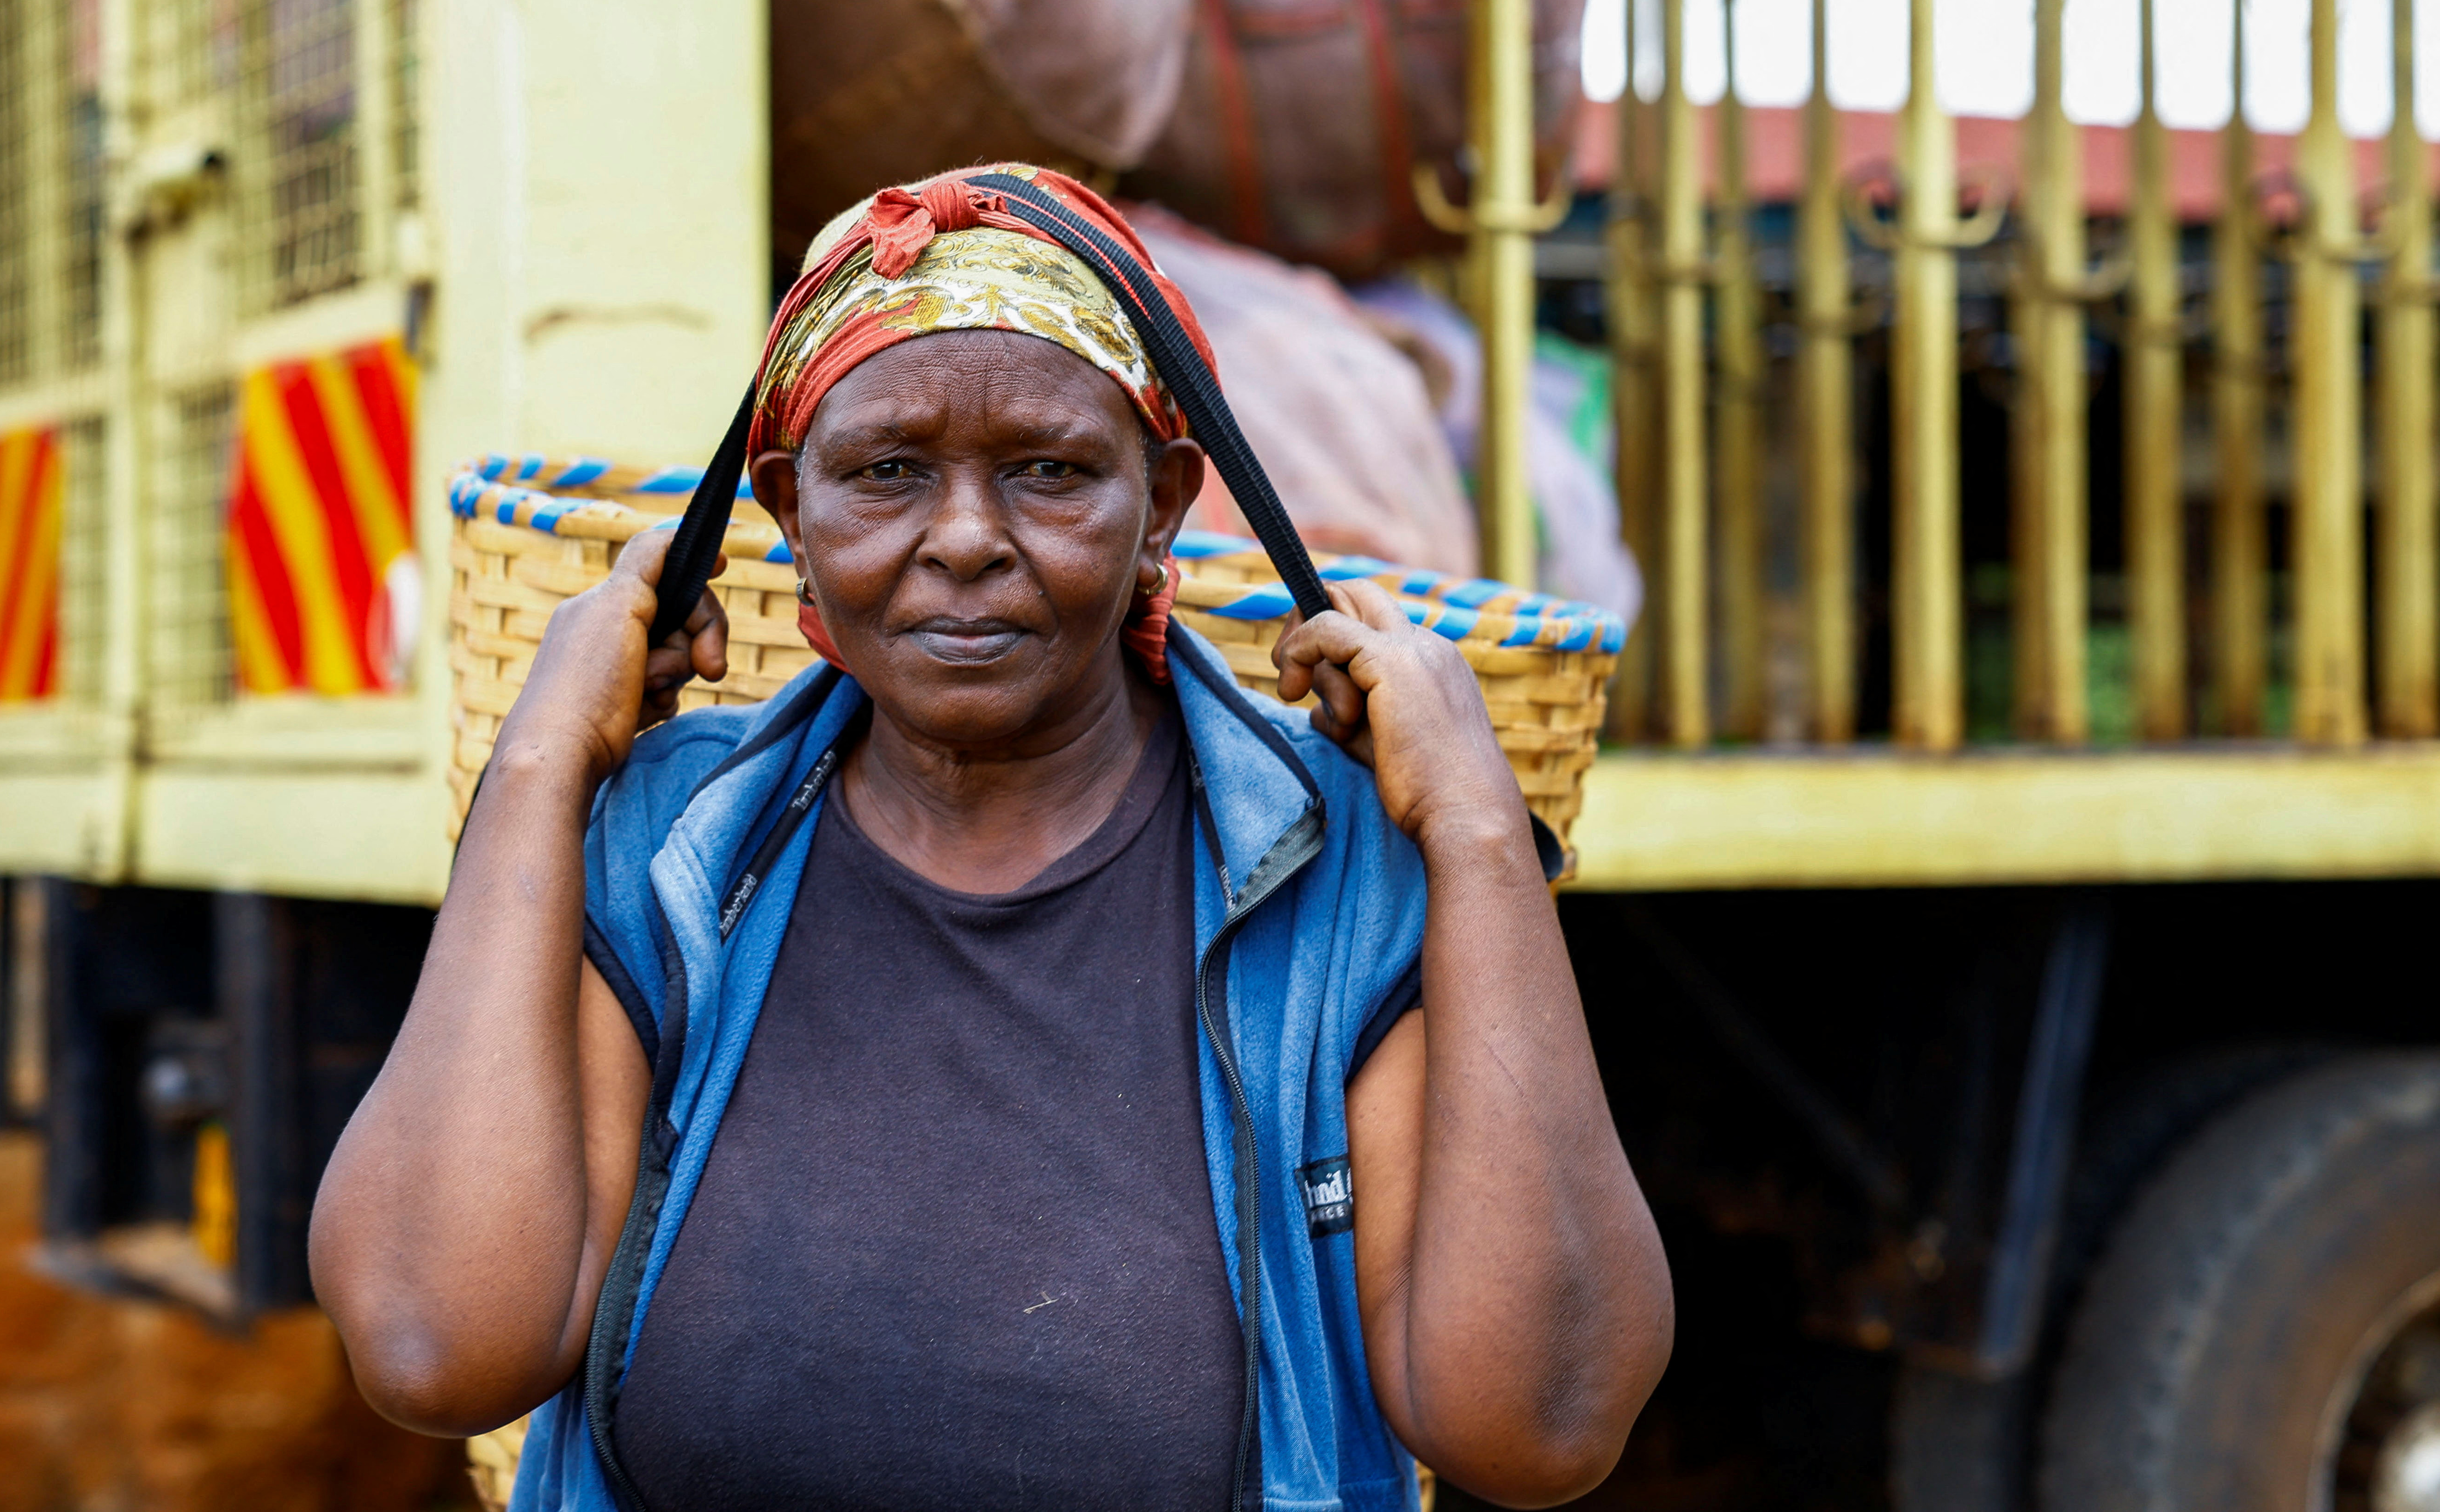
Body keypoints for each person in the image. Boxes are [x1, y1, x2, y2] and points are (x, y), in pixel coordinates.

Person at [310, 166, 1672, 1512]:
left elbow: (1538, 1421)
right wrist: (542, 763)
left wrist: (1480, 832)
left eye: (1050, 471)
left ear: (1166, 508)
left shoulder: (1337, 878)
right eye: (886, 471)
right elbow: (437, 1343)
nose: (964, 538)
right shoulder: (677, 848)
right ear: (790, 512)